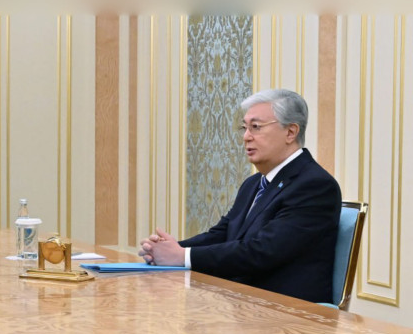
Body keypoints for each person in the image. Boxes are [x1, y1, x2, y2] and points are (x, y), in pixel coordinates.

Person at [139, 89, 341, 303]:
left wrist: (182, 257)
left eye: (256, 127)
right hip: (243, 302)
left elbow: (262, 251)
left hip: (288, 310)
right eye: (244, 128)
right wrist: (171, 249)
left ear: (290, 132)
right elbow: (223, 233)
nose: (246, 137)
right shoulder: (253, 183)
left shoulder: (314, 186)